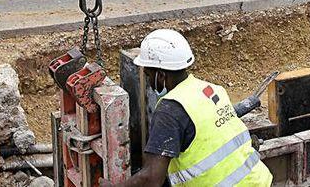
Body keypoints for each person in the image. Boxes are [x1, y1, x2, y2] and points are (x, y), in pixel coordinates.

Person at [101, 29, 271, 187]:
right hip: (259, 180)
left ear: (161, 75)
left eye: (148, 74)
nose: (147, 78)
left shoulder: (170, 110)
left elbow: (152, 178)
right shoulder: (210, 89)